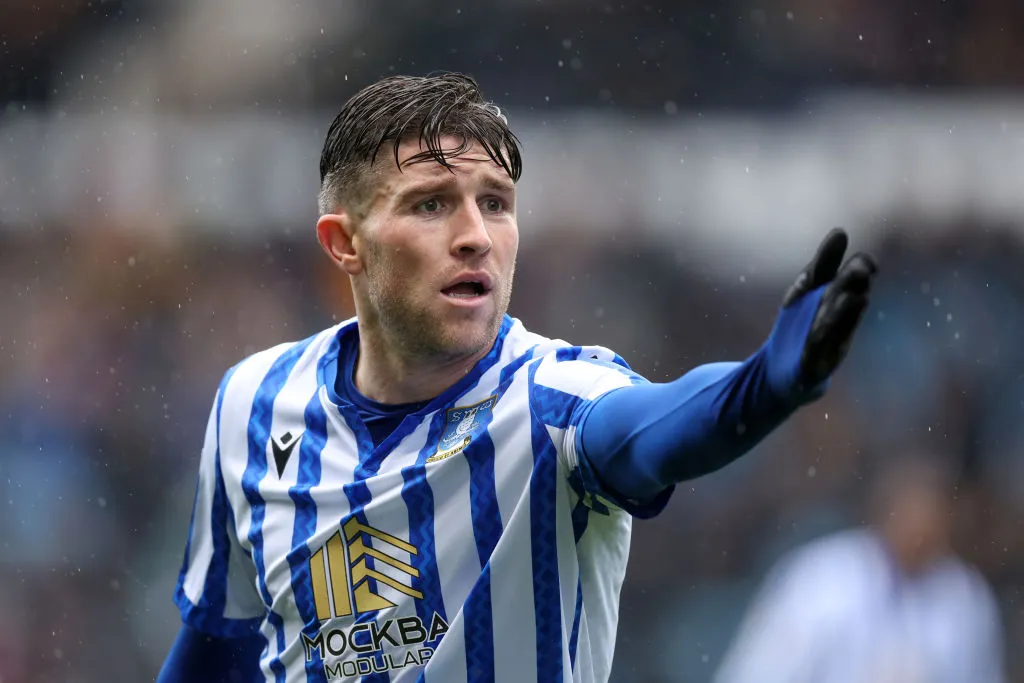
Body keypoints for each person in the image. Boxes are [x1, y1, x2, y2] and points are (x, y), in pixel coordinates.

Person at [157, 72, 878, 683]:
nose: (475, 234)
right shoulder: (253, 404)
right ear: (345, 243)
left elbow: (657, 430)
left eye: (495, 202)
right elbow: (218, 645)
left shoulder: (551, 399)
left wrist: (763, 387)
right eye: (431, 202)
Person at [712, 455, 1006, 683]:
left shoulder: (965, 594)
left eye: (934, 517)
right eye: (912, 514)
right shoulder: (822, 577)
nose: (922, 530)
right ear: (885, 510)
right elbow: (759, 673)